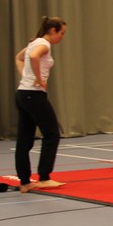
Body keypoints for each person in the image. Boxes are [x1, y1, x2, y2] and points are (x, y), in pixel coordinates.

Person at [14, 16, 69, 193]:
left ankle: (24, 181)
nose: (62, 37)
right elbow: (33, 56)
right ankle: (44, 177)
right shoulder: (43, 44)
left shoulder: (34, 42)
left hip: (23, 93)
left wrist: (26, 76)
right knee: (52, 134)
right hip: (34, 95)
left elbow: (19, 58)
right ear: (52, 31)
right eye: (61, 33)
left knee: (24, 140)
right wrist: (38, 79)